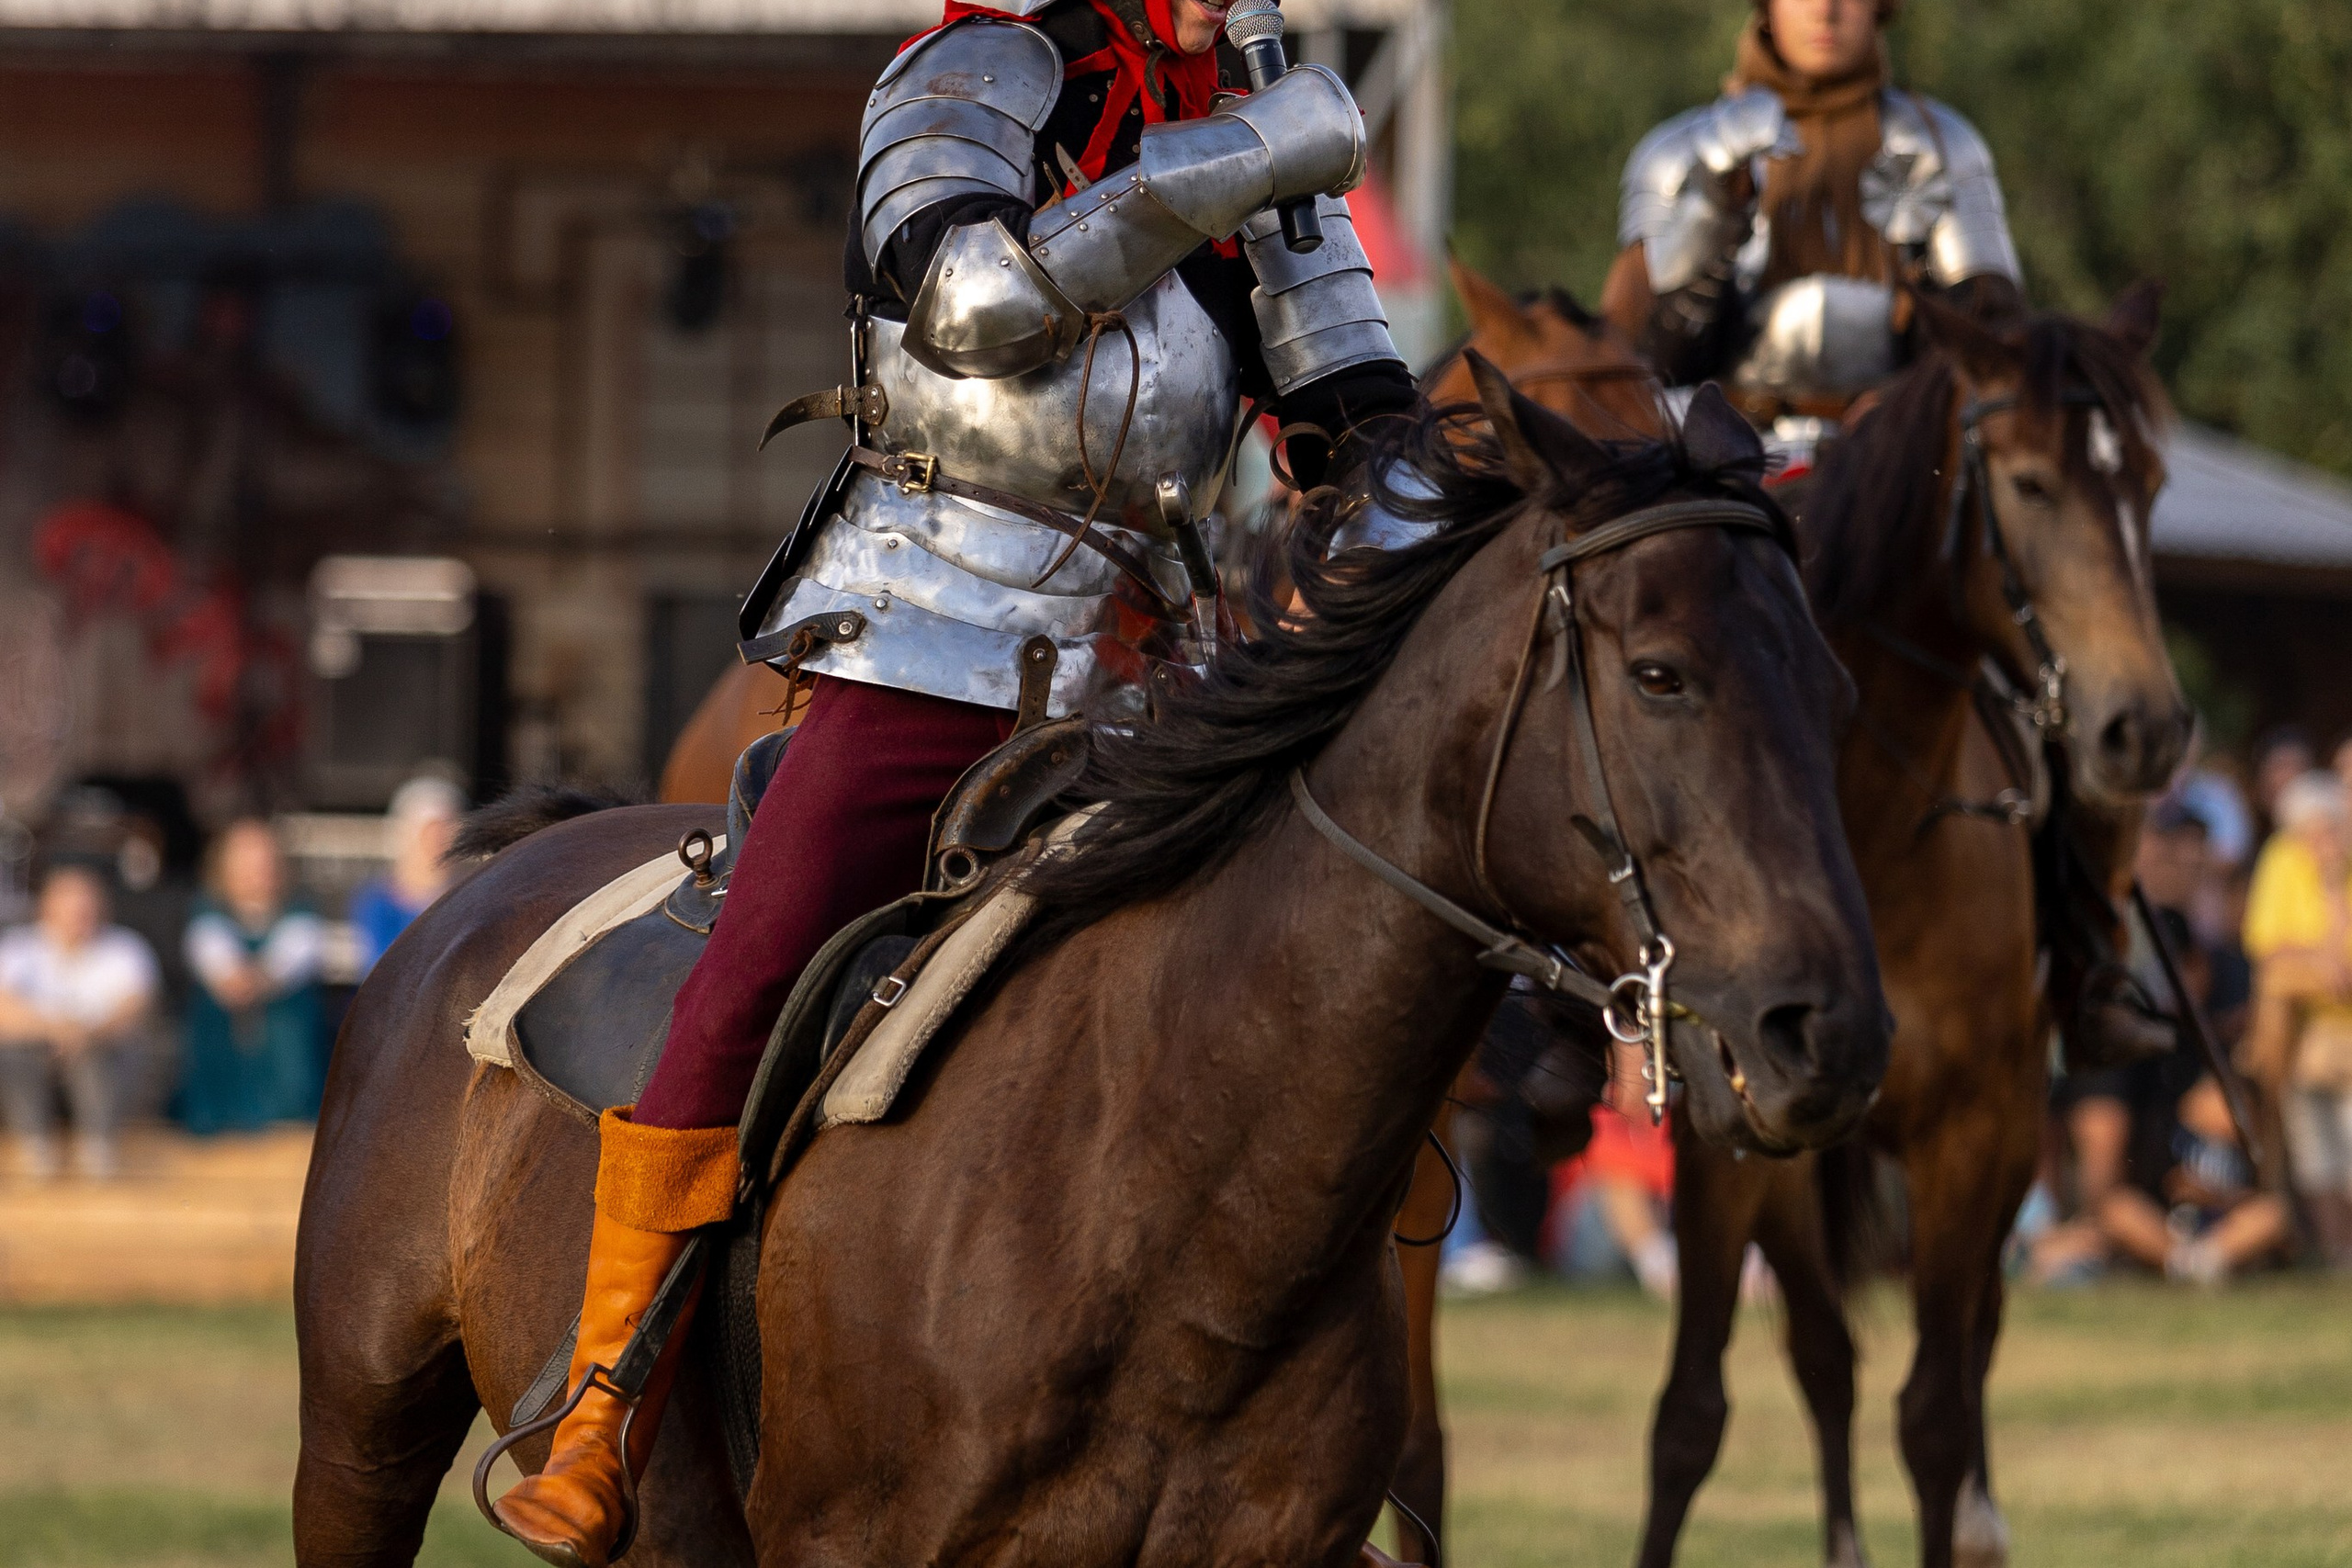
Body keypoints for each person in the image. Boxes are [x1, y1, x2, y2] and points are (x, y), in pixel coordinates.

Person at [488, 2, 1414, 1558]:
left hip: (1155, 667)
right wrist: (1236, 160)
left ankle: (1291, 1435)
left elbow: (1356, 418)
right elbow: (977, 303)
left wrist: (1447, 508)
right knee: (753, 966)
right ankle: (603, 1399)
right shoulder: (975, 73)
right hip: (934, 631)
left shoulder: (1252, 122)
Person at [1603, 0, 2170, 1074]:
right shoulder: (1684, 150)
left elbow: (1998, 348)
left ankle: (2089, 965)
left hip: (1902, 493)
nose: (1826, 9)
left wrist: (1931, 303)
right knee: (1614, 681)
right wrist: (1713, 248)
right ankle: (1562, 1012)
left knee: (2069, 665)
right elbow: (1638, 356)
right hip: (1736, 481)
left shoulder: (1940, 144)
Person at [2239, 770, 2352, 1268]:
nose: (2319, 840)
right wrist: (2320, 962)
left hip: (2343, 1031)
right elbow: (2267, 948)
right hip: (2298, 1034)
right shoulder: (2282, 860)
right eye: (2311, 831)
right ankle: (2336, 1252)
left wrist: (2331, 885)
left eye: (2329, 828)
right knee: (2313, 1151)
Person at [0, 864, 160, 1179]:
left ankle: (98, 1145)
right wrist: (58, 1029)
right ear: (46, 906)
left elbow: (135, 1008)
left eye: (86, 903)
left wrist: (86, 1034)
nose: (78, 912)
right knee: (13, 1051)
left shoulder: (125, 949)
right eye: (69, 903)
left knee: (102, 1052)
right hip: (38, 1063)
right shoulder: (17, 949)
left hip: (101, 1063)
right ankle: (34, 1144)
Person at [180, 818, 328, 1134]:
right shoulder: (207, 915)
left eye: (265, 861)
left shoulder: (301, 915)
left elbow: (287, 965)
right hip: (221, 1068)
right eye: (247, 862)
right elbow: (219, 968)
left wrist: (258, 979)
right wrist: (240, 981)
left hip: (286, 1067)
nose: (259, 871)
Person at [347, 775, 466, 976]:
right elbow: (383, 970)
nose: (438, 844)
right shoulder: (377, 903)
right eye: (429, 833)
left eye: (445, 832)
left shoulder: (471, 898)